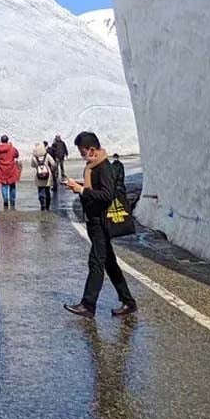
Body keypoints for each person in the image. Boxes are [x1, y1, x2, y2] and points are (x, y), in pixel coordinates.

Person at [64, 132, 138, 318]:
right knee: (109, 263)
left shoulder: (103, 167)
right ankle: (128, 301)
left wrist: (82, 190)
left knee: (96, 261)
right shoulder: (93, 167)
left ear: (92, 149)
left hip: (101, 222)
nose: (82, 155)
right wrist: (79, 186)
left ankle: (88, 305)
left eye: (82, 151)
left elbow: (106, 195)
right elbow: (95, 189)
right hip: (94, 220)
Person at [0, 135, 21, 210]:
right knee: (12, 185)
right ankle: (12, 202)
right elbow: (17, 155)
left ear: (1, 140)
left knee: (4, 185)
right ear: (7, 140)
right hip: (11, 169)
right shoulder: (11, 148)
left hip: (2, 168)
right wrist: (11, 146)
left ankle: (5, 201)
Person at [32, 142, 57, 211]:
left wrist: (37, 166)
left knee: (40, 190)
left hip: (39, 175)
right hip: (47, 175)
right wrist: (51, 169)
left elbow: (32, 165)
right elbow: (53, 163)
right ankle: (47, 205)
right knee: (47, 190)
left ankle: (42, 203)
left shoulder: (34, 157)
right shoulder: (47, 155)